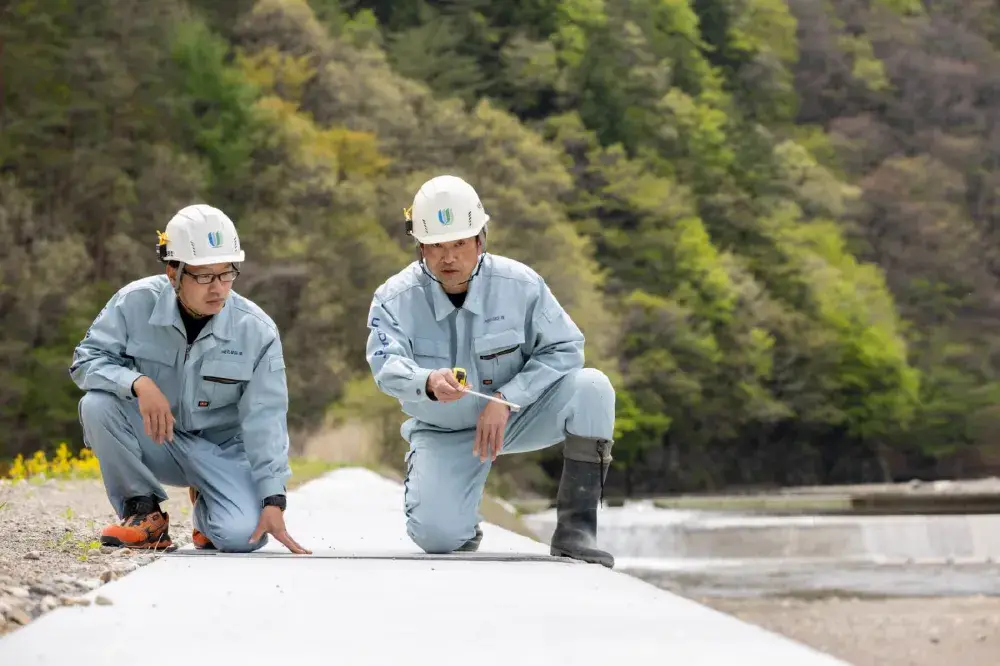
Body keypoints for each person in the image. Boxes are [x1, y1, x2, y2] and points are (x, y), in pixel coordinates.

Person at [365, 175, 616, 568]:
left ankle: (576, 531)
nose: (449, 258)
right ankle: (460, 519)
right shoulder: (393, 298)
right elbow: (385, 364)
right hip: (443, 430)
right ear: (420, 248)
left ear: (481, 240)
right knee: (437, 538)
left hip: (516, 418)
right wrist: (426, 382)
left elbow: (566, 348)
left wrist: (508, 398)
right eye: (436, 247)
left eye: (459, 244)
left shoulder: (522, 284)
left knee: (593, 387)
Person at [69, 204, 309, 555]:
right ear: (173, 273)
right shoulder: (133, 303)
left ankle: (208, 511)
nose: (218, 289)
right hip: (160, 439)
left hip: (224, 453)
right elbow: (85, 361)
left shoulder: (257, 330)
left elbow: (267, 418)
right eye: (204, 276)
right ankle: (143, 513)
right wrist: (137, 382)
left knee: (244, 537)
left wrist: (274, 498)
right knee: (98, 404)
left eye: (227, 274)